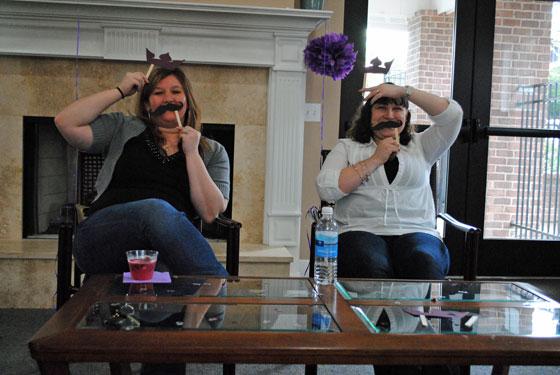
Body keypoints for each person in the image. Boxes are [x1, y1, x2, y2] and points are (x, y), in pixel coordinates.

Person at [316, 83, 462, 375]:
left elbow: (453, 115)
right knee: (370, 262)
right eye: (382, 107)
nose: (390, 114)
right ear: (368, 115)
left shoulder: (422, 145)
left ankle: (435, 357)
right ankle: (395, 360)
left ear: (406, 115)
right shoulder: (349, 147)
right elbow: (327, 188)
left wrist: (405, 91)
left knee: (423, 260)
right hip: (360, 230)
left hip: (416, 230)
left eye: (398, 108)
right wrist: (375, 159)